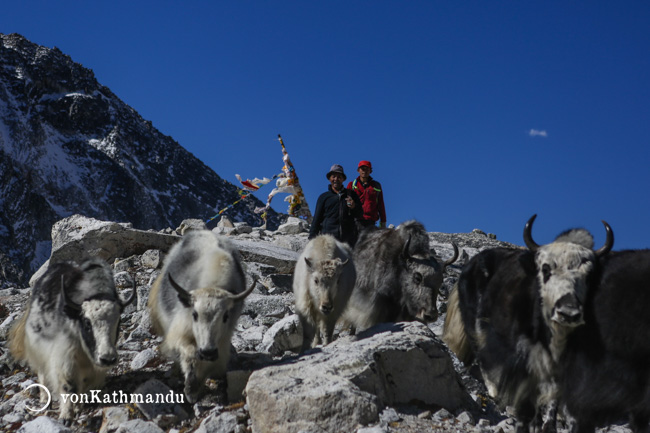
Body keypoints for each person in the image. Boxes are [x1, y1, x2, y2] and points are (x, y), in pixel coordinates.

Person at [309, 164, 363, 246]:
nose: (336, 179)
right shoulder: (324, 197)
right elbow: (316, 219)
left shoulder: (352, 195)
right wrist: (312, 239)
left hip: (348, 241)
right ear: (329, 178)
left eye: (339, 177)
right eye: (333, 176)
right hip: (328, 240)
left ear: (343, 179)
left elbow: (360, 214)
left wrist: (354, 206)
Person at [347, 160, 386, 229]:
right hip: (355, 221)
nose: (364, 171)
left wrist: (383, 222)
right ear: (358, 170)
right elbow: (347, 203)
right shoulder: (352, 185)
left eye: (367, 169)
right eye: (362, 169)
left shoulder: (376, 186)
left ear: (370, 171)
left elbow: (381, 204)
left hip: (371, 222)